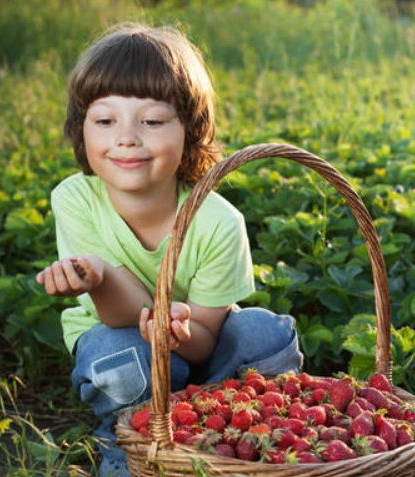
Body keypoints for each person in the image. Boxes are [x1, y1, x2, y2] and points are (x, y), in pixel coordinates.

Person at [35, 23, 303, 477]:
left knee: (262, 333)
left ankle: (240, 433)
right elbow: (118, 318)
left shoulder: (218, 222)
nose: (126, 138)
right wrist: (98, 274)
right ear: (82, 127)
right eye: (105, 120)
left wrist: (176, 334)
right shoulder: (75, 198)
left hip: (200, 359)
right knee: (119, 350)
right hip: (125, 350)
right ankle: (131, 441)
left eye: (152, 121)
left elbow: (203, 345)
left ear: (190, 130)